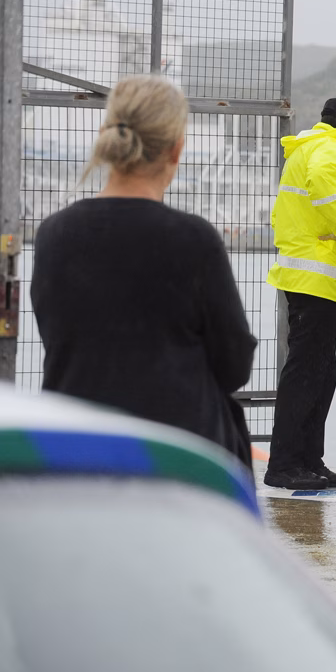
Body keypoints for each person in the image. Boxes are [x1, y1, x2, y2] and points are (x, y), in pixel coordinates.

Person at [31, 74, 257, 467]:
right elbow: (234, 364)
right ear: (176, 149)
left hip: (74, 449)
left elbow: (60, 342)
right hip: (175, 451)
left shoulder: (54, 235)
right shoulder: (194, 240)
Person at [263, 97, 336, 490]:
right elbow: (323, 188)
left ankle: (308, 460)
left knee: (321, 373)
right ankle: (285, 464)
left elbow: (284, 213)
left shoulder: (308, 149)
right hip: (314, 281)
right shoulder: (327, 149)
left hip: (315, 280)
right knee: (307, 374)